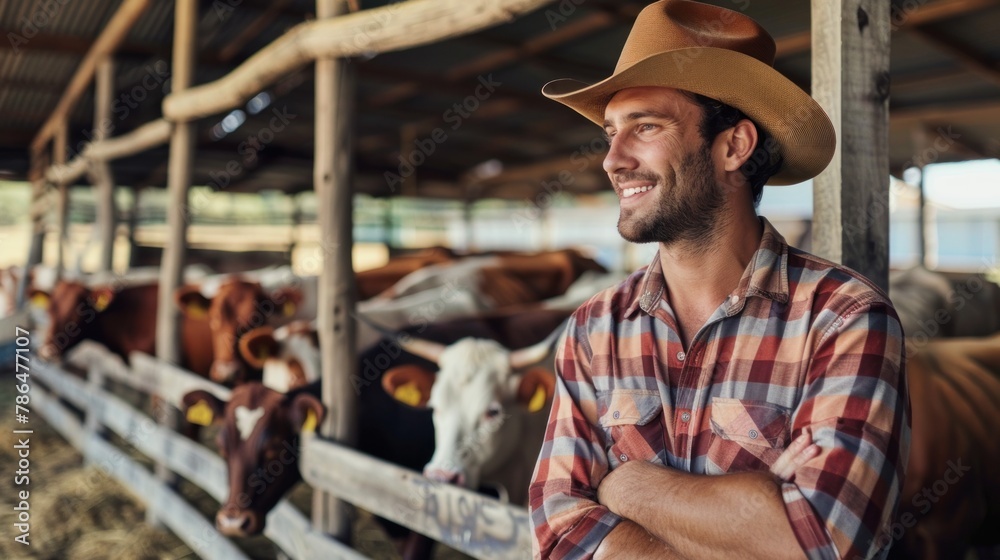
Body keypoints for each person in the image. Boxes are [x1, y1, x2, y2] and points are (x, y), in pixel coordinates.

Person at [528, 1, 910, 559]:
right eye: (612, 133)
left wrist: (623, 484)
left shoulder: (843, 319)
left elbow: (822, 542)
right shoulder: (594, 329)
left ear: (733, 146)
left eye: (646, 127)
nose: (612, 159)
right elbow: (558, 530)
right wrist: (752, 513)